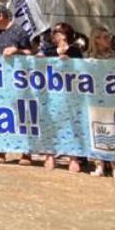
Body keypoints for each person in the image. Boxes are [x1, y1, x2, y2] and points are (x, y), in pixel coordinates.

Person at [0, 1, 33, 165]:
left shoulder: (19, 31)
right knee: (0, 114)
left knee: (22, 114)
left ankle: (26, 152)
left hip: (18, 81)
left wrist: (17, 51)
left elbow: (30, 52)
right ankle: (1, 150)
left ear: (1, 16)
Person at [39, 23, 84, 173]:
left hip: (71, 94)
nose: (55, 35)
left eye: (58, 32)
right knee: (50, 123)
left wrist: (67, 57)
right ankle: (50, 156)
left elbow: (81, 68)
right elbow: (39, 64)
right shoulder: (48, 50)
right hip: (51, 93)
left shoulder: (75, 51)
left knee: (73, 124)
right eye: (54, 33)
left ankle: (73, 157)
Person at [86, 27, 115, 180]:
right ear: (96, 39)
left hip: (113, 98)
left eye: (109, 37)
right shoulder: (88, 57)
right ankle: (99, 164)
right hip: (95, 98)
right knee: (97, 129)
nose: (108, 40)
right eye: (105, 37)